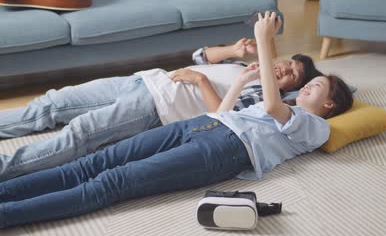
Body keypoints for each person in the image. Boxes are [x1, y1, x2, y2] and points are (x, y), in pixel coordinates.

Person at [0, 11, 354, 228]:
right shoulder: (271, 95)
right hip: (205, 124)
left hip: (226, 151)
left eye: (314, 85)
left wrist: (265, 42)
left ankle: (9, 215)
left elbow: (277, 109)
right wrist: (244, 78)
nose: (305, 90)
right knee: (95, 161)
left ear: (330, 105)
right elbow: (222, 113)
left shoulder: (315, 127)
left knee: (111, 182)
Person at [0, 27, 322, 182]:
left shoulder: (259, 99)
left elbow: (221, 120)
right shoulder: (244, 69)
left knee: (79, 134)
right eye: (288, 63)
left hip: (158, 106)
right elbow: (198, 57)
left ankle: (6, 169)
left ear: (292, 88)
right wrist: (233, 52)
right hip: (144, 79)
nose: (285, 69)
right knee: (52, 103)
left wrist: (201, 81)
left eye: (293, 74)